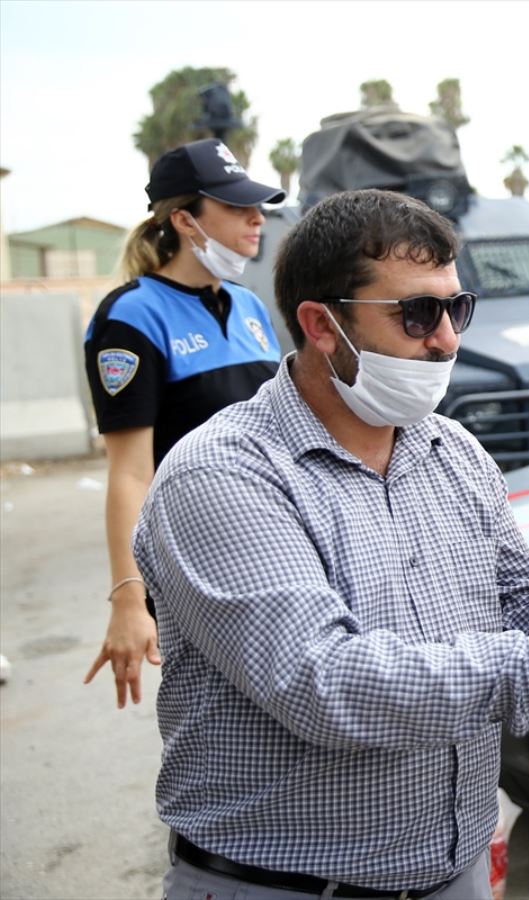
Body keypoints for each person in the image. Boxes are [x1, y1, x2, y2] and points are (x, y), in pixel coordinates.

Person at [133, 188, 529, 898]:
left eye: (456, 309)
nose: (445, 339)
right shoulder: (220, 477)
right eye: (417, 314)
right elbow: (325, 682)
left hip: (456, 875)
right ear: (321, 324)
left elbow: (525, 602)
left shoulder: (453, 450)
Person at [82, 138, 285, 708]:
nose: (256, 218)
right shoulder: (131, 316)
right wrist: (128, 598)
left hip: (271, 546)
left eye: (258, 206)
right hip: (195, 565)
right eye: (236, 206)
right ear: (184, 220)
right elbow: (129, 474)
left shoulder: (248, 306)